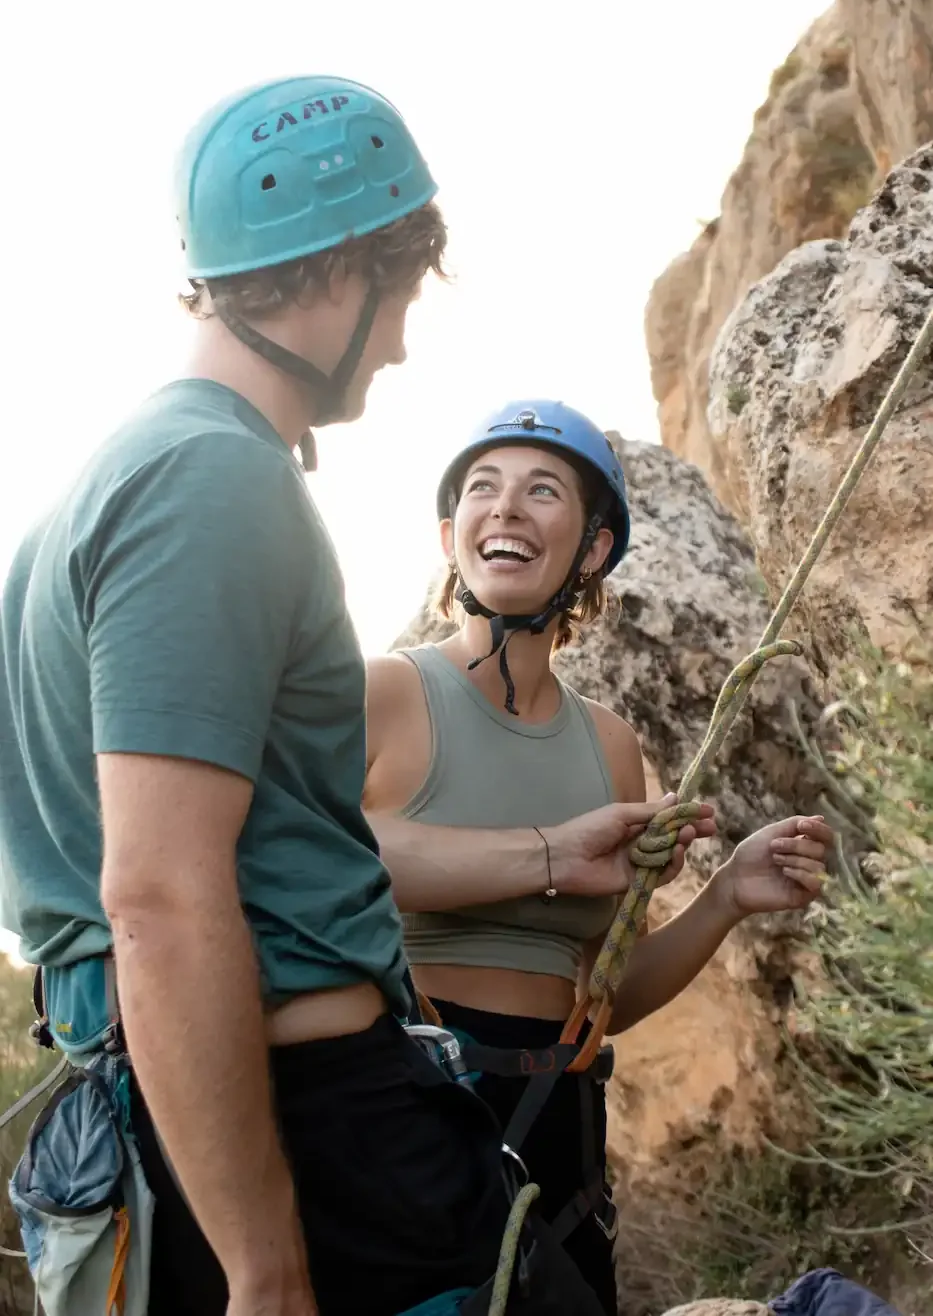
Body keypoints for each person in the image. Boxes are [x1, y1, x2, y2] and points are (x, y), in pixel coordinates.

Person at [0, 83, 705, 1316]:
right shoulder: (211, 482)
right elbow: (160, 892)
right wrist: (265, 1265)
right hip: (315, 1131)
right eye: (401, 295)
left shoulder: (126, 475)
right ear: (345, 266)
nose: (398, 343)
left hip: (221, 1112)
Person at [364, 399, 835, 1314]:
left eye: (542, 491)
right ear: (449, 531)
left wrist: (724, 898)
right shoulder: (384, 693)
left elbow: (598, 997)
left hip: (557, 1135)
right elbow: (310, 863)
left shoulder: (611, 749)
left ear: (589, 549)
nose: (503, 508)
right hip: (408, 1110)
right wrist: (548, 854)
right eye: (481, 490)